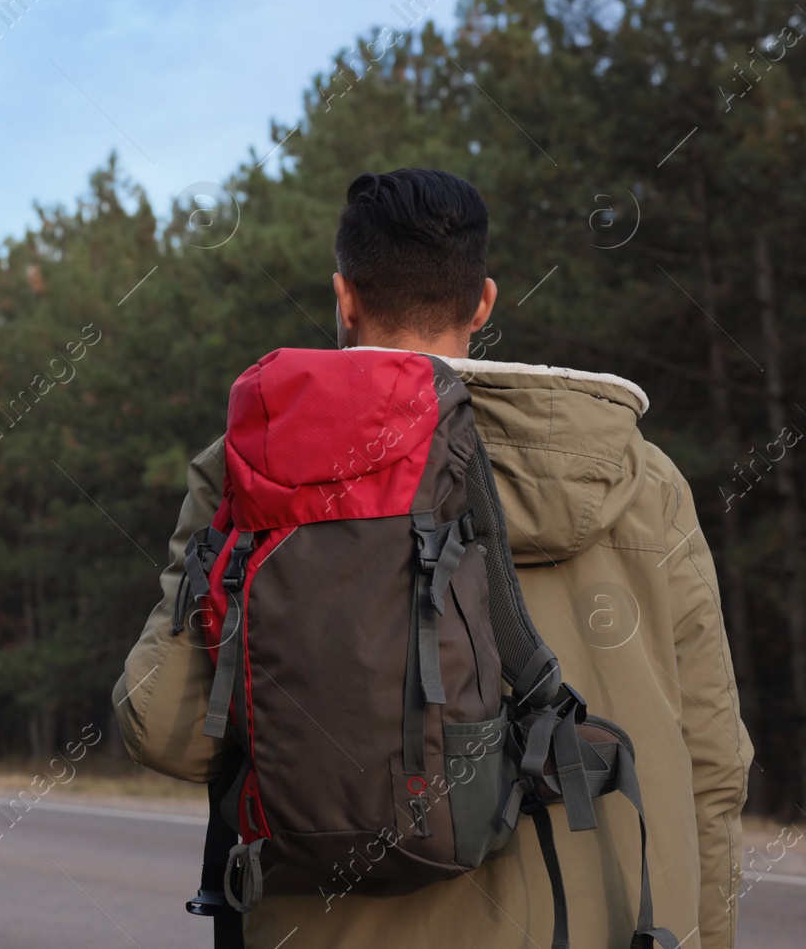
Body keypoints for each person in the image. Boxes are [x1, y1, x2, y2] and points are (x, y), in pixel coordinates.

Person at [114, 168, 752, 948]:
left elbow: (165, 730)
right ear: (483, 301)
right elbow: (714, 763)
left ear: (344, 298)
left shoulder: (255, 470)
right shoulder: (643, 478)